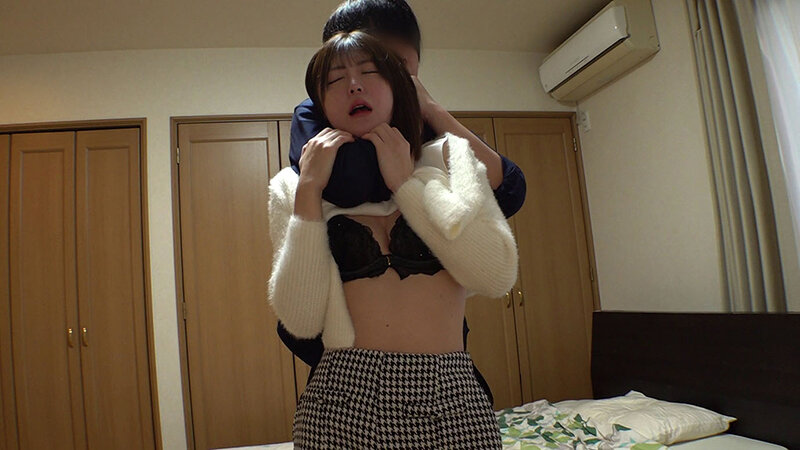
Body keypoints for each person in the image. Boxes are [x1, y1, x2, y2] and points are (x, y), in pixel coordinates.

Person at [267, 31, 518, 448]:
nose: (354, 85)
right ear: (320, 104)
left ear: (398, 87)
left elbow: (495, 276)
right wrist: (309, 190)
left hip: (453, 395)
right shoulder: (292, 185)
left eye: (369, 72)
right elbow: (302, 319)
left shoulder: (451, 159)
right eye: (335, 80)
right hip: (341, 399)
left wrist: (406, 185)